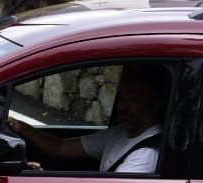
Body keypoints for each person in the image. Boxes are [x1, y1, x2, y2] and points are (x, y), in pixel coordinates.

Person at [11, 63, 169, 174]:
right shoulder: (118, 134)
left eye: (133, 99)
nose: (122, 107)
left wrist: (43, 177)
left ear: (155, 102)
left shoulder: (145, 156)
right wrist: (21, 127)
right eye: (121, 98)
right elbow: (61, 147)